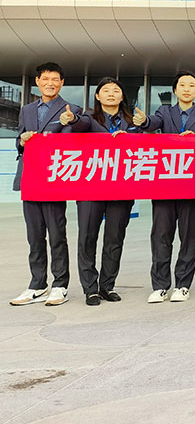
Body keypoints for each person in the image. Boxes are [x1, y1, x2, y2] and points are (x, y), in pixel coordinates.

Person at [137, 70, 195, 303]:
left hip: (192, 186)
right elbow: (152, 124)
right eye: (182, 85)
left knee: (189, 235)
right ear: (175, 90)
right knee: (161, 235)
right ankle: (160, 285)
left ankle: (183, 284)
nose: (186, 88)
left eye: (191, 85)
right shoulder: (165, 112)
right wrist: (144, 122)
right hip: (165, 184)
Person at [63, 77, 141, 305]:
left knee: (114, 238)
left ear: (121, 96)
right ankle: (90, 288)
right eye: (105, 90)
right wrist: (72, 118)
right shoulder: (89, 118)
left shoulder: (132, 122)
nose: (110, 94)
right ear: (97, 96)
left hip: (122, 189)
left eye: (116, 90)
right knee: (87, 237)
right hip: (91, 188)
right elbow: (78, 126)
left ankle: (107, 286)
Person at [9, 62, 82, 307]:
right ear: (38, 81)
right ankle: (37, 284)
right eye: (45, 78)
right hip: (29, 178)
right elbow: (19, 144)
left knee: (57, 235)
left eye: (55, 79)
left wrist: (65, 126)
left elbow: (71, 142)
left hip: (53, 181)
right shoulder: (27, 110)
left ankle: (60, 285)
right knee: (35, 236)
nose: (50, 83)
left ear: (62, 83)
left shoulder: (71, 110)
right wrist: (23, 139)